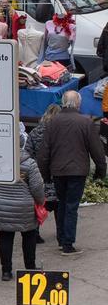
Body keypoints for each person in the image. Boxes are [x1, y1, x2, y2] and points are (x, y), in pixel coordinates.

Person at [35, 89, 106, 255]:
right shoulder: (85, 123)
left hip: (58, 171)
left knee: (62, 203)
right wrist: (100, 172)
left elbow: (44, 151)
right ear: (78, 103)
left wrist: (44, 174)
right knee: (71, 206)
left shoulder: (52, 123)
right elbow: (97, 151)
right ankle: (67, 244)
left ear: (63, 103)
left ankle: (62, 239)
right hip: (77, 171)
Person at [0, 141, 45, 281]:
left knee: (5, 238)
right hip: (24, 206)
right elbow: (37, 187)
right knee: (29, 236)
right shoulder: (30, 163)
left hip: (1, 204)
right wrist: (40, 201)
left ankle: (6, 271)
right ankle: (30, 269)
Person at [26, 104, 62, 244]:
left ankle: (35, 234)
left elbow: (28, 152)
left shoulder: (35, 132)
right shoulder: (60, 133)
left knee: (38, 205)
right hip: (56, 174)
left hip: (39, 175)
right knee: (60, 207)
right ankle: (61, 235)